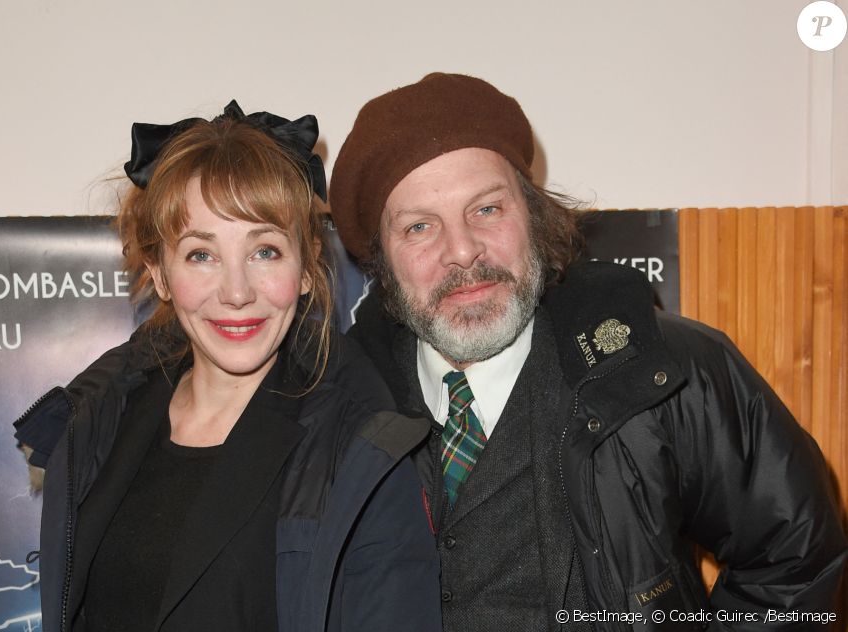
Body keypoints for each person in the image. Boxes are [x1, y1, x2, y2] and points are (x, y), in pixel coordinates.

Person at [328, 72, 847, 631]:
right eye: (420, 226)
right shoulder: (339, 408)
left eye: (486, 210)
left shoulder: (667, 369)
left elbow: (798, 561)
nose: (462, 251)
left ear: (531, 215)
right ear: (382, 261)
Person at [13, 100, 441, 632]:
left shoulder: (363, 452)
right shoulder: (103, 421)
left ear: (306, 267)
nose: (237, 293)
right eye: (201, 254)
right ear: (161, 274)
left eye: (264, 251)